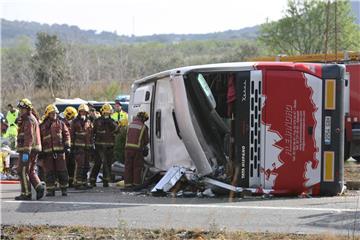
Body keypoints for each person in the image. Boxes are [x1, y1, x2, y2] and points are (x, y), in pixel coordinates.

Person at [15, 98, 45, 200]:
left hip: (28, 150)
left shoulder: (28, 120)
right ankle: (39, 187)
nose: (20, 110)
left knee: (22, 170)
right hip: (32, 149)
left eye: (22, 109)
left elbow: (29, 136)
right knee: (30, 170)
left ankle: (26, 193)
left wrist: (26, 151)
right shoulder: (29, 118)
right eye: (20, 109)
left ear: (27, 109)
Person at [40, 104, 71, 196]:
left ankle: (64, 189)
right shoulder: (42, 126)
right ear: (48, 114)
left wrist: (67, 146)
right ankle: (50, 190)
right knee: (49, 172)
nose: (54, 115)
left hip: (60, 152)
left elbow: (67, 135)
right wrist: (40, 151)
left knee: (62, 171)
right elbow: (39, 138)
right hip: (47, 153)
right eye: (52, 113)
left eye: (55, 113)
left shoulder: (61, 124)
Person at [90, 103, 118, 187]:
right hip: (99, 147)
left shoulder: (112, 121)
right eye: (106, 113)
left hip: (109, 146)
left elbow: (117, 130)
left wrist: (111, 123)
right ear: (103, 112)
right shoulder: (97, 121)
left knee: (108, 164)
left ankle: (106, 181)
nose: (107, 114)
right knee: (98, 163)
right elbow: (93, 132)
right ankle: (92, 180)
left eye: (108, 113)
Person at [124, 111, 149, 189]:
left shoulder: (130, 125)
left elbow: (127, 135)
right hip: (137, 149)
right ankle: (136, 184)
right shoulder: (143, 127)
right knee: (137, 167)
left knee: (128, 166)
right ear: (143, 118)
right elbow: (146, 140)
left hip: (128, 148)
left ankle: (128, 184)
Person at [71, 104, 93, 190]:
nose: (83, 113)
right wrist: (71, 146)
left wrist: (91, 145)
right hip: (78, 147)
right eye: (81, 112)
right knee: (80, 165)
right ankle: (78, 182)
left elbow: (90, 134)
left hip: (87, 147)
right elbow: (72, 135)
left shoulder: (88, 121)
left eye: (84, 112)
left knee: (86, 165)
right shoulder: (75, 122)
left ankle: (84, 182)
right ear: (79, 112)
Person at [62, 106, 77, 187]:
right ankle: (66, 182)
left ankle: (71, 181)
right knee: (65, 165)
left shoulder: (76, 123)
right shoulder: (62, 123)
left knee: (72, 165)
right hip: (65, 147)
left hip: (74, 147)